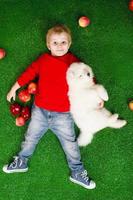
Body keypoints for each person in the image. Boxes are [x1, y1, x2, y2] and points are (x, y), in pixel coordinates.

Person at [3, 25, 96, 190]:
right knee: (30, 137)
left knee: (70, 144)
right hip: (40, 111)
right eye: (55, 42)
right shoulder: (43, 60)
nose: (59, 46)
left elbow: (87, 79)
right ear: (48, 45)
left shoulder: (74, 63)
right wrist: (14, 88)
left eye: (63, 42)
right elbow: (29, 72)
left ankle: (77, 171)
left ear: (69, 43)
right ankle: (21, 161)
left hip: (63, 114)